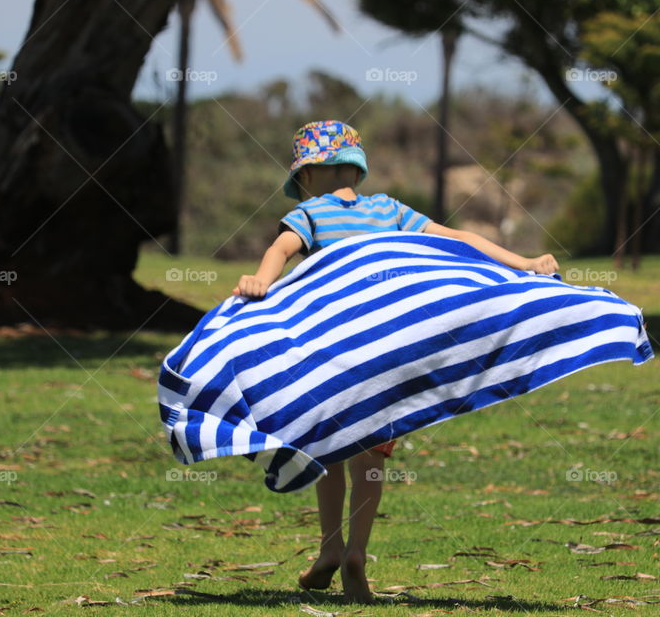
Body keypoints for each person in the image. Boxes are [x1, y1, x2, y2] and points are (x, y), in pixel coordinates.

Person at [231, 120, 560, 603]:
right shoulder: (388, 209)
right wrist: (524, 263)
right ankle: (356, 552)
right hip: (387, 355)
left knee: (328, 451)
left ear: (304, 176)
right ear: (357, 171)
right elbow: (459, 238)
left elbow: (281, 248)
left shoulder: (310, 213)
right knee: (372, 458)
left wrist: (258, 280)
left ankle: (330, 549)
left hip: (337, 354)